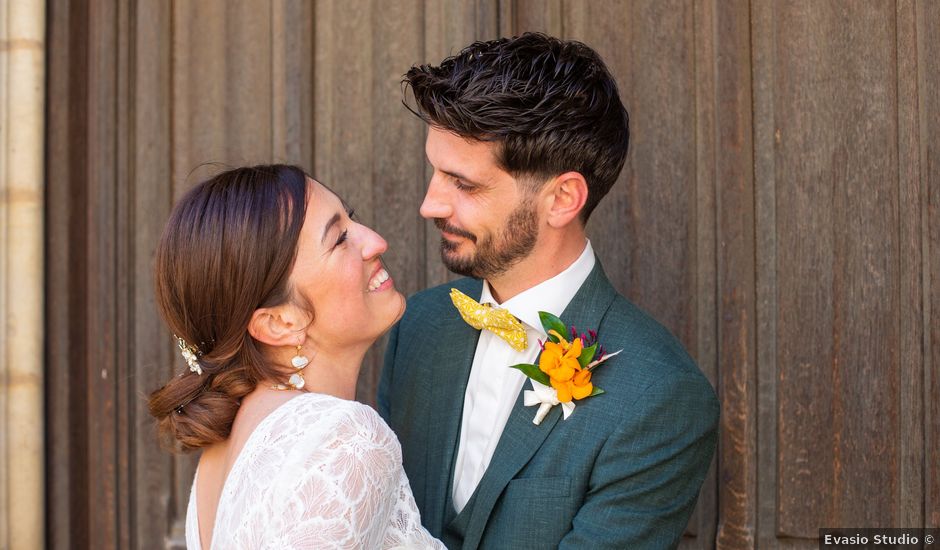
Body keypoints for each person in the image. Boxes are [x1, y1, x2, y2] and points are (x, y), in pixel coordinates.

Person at [378, 33, 719, 549]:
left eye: (463, 184)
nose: (431, 205)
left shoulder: (660, 396)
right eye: (435, 173)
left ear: (562, 199)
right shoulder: (417, 327)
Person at [148, 164, 444, 549]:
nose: (375, 241)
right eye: (339, 239)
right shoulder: (344, 439)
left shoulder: (222, 456)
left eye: (351, 219)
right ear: (278, 323)